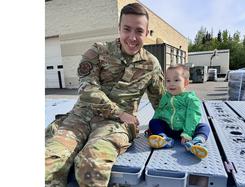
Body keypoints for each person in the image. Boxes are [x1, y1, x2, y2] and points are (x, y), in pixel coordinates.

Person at [45, 3, 165, 187]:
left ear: (147, 33)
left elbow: (161, 103)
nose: (132, 37)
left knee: (91, 164)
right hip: (80, 117)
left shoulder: (151, 64)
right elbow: (87, 90)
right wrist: (119, 112)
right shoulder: (98, 52)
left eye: (139, 31)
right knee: (49, 161)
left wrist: (181, 126)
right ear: (119, 28)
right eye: (127, 29)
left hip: (115, 126)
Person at [147, 64, 210, 159]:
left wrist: (187, 133)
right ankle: (163, 138)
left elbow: (192, 116)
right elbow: (159, 111)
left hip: (185, 131)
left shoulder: (191, 99)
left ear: (186, 83)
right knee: (154, 122)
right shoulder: (166, 97)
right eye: (168, 80)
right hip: (169, 130)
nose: (171, 83)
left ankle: (196, 142)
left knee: (204, 127)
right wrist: (153, 129)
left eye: (176, 80)